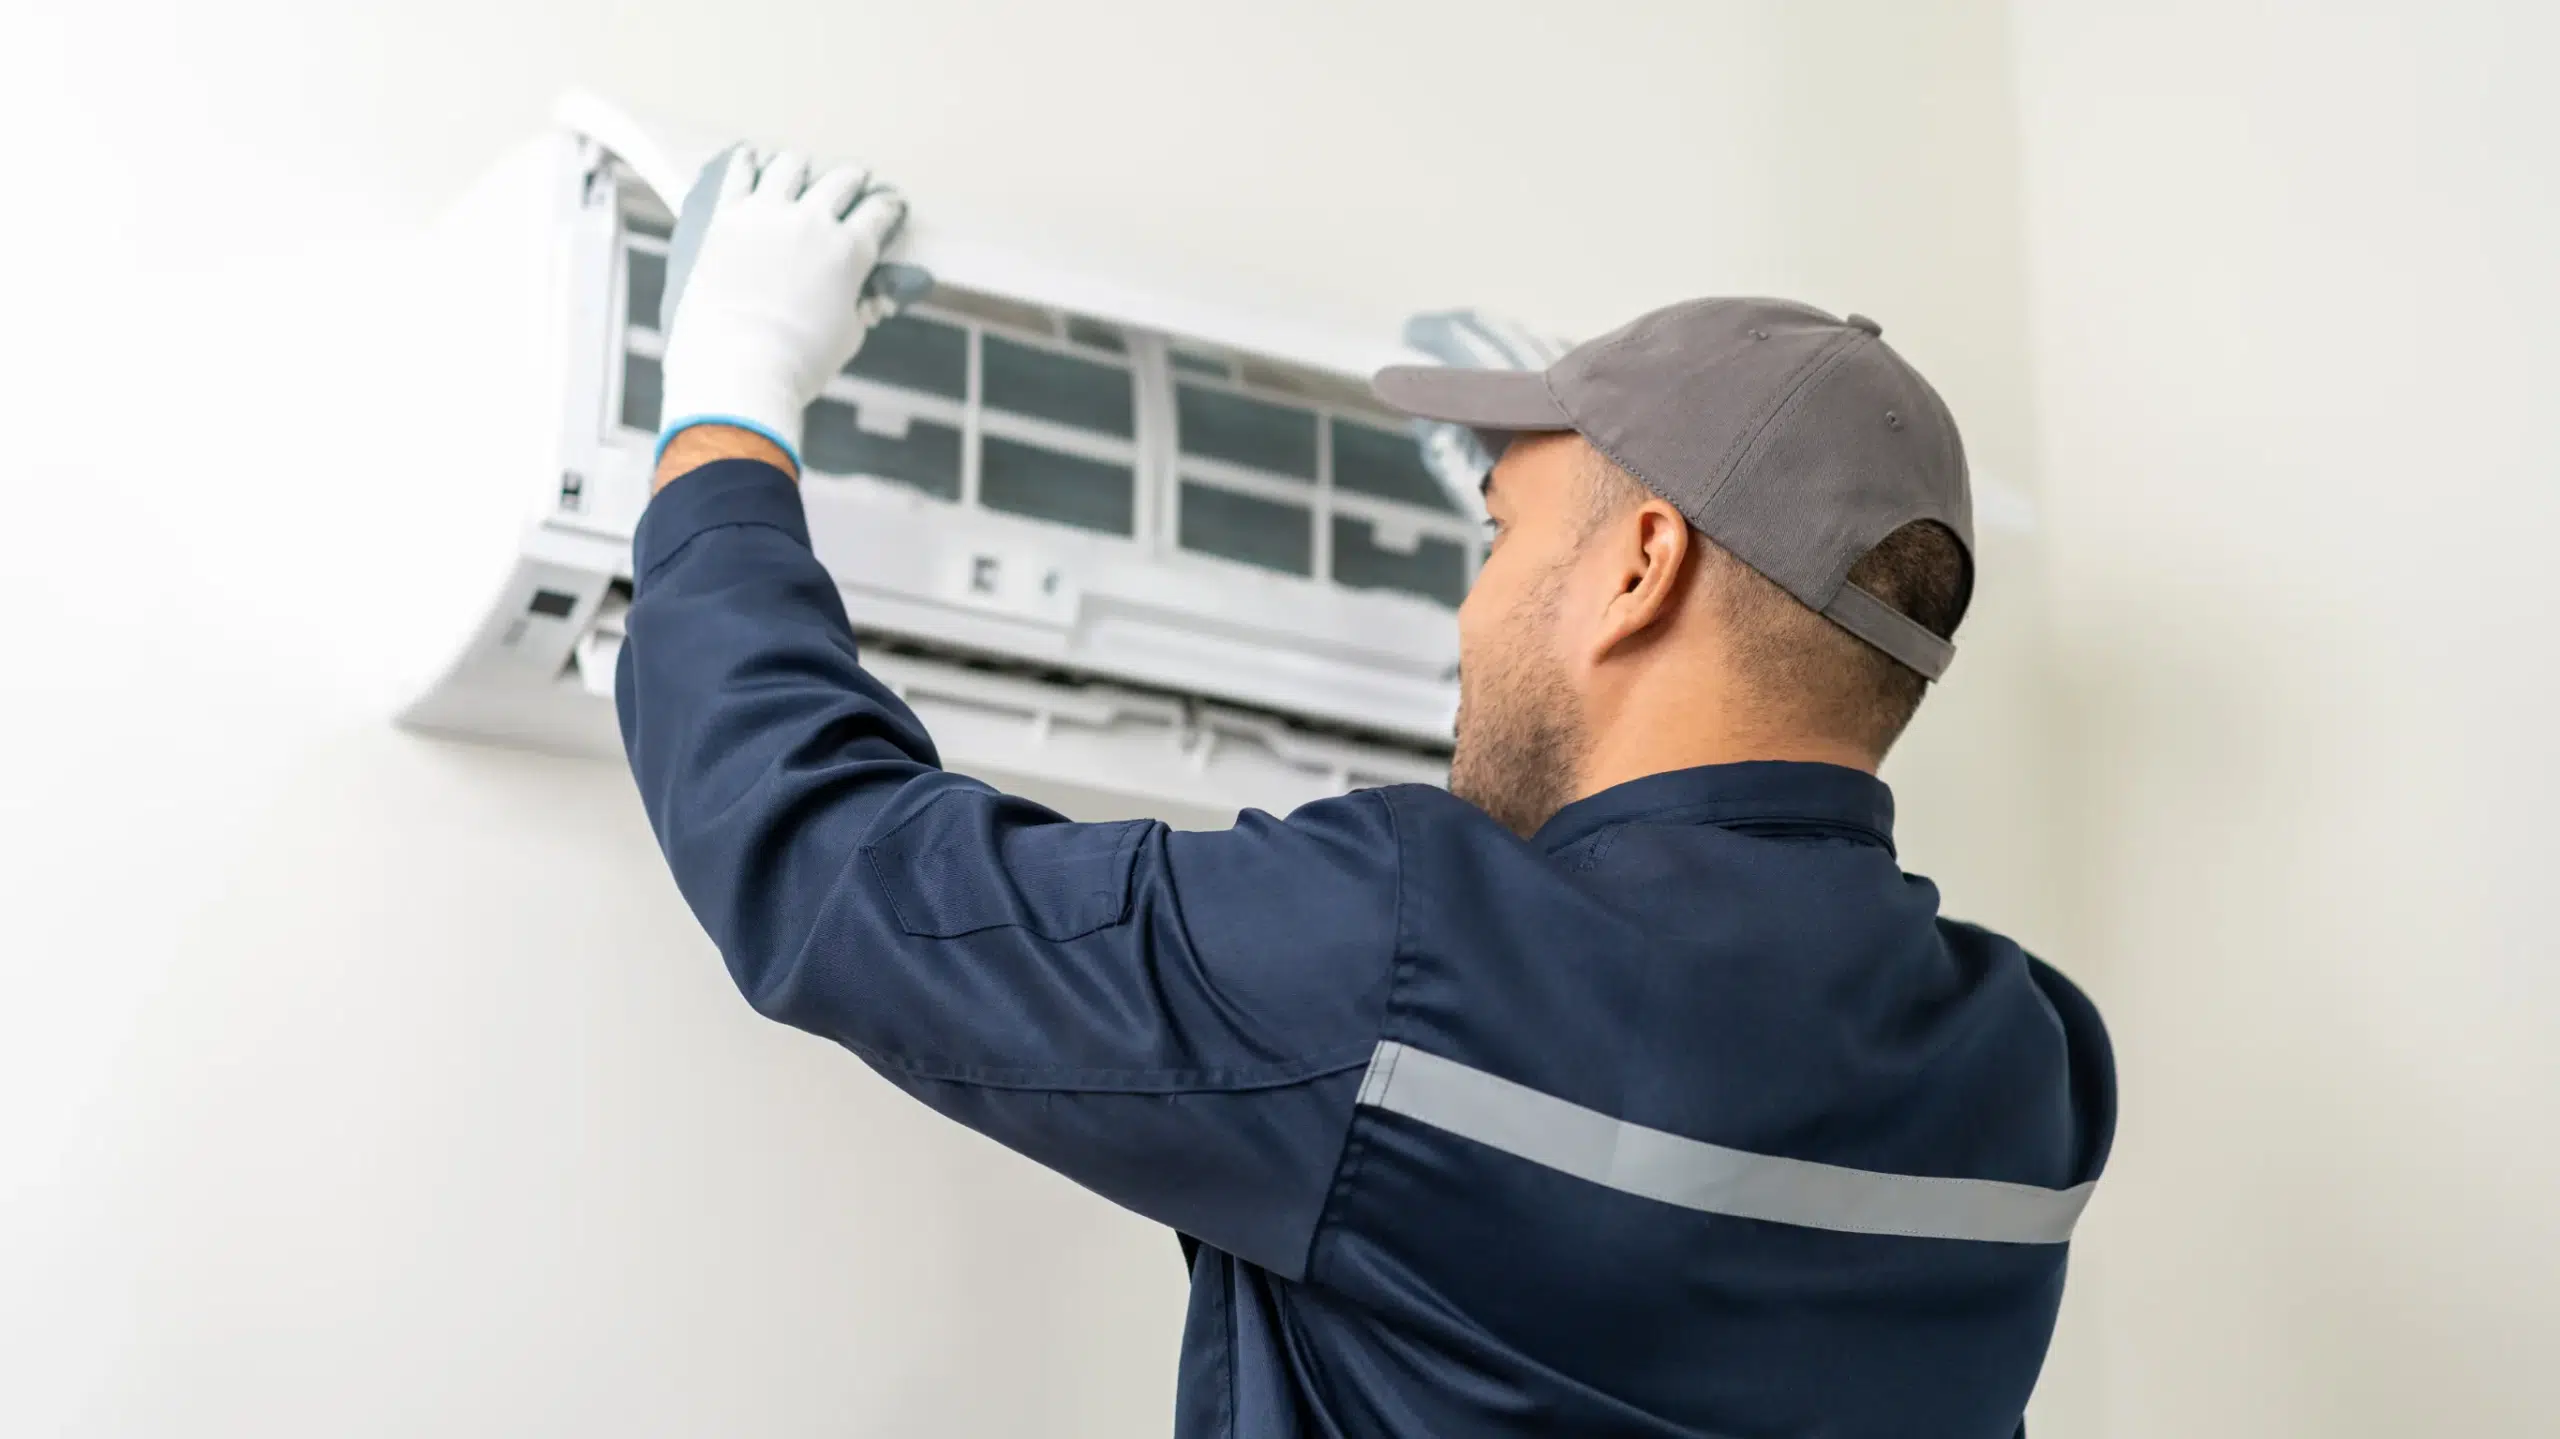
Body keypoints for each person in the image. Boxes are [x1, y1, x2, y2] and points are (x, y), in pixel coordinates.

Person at [619, 149, 2115, 1439]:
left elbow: (830, 867)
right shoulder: (2033, 1082)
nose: (1471, 608)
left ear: (1644, 567)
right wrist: (1559, 554)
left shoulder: (1389, 960)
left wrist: (731, 397)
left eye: (1495, 538)